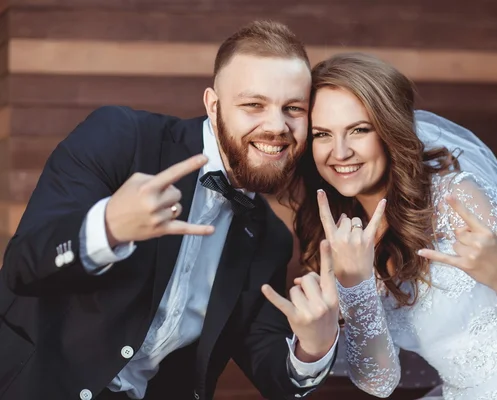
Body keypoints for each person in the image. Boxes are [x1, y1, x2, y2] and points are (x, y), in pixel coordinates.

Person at [0, 21, 340, 400]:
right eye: (253, 105)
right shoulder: (121, 138)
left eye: (293, 108)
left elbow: (272, 373)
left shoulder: (270, 239)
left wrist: (315, 346)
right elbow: (21, 267)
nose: (277, 126)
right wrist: (108, 227)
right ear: (213, 105)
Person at [289, 52, 497, 399]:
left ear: (390, 131)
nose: (340, 152)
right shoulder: (339, 239)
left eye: (359, 129)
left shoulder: (455, 197)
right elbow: (379, 382)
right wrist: (355, 287)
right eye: (322, 134)